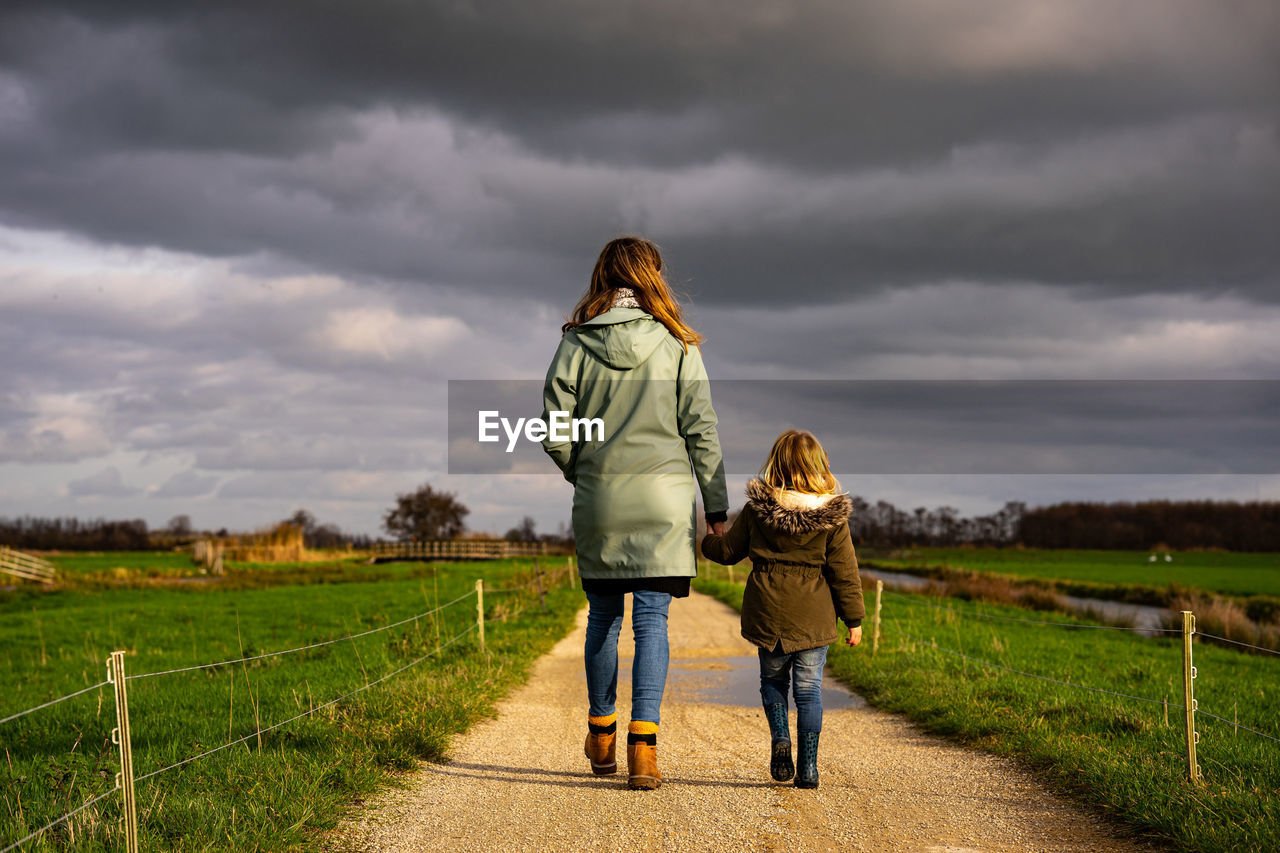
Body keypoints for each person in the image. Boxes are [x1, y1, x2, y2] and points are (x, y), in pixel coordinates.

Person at [541, 236, 728, 790]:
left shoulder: (575, 344)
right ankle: (643, 750)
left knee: (602, 619)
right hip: (665, 503)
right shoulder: (679, 345)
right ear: (654, 277)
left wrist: (584, 472)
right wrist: (716, 508)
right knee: (652, 624)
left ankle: (601, 732)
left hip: (601, 500)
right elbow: (702, 430)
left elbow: (553, 427)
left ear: (602, 276)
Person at [700, 429, 863, 789]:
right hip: (813, 616)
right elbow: (844, 572)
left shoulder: (758, 510)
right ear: (819, 466)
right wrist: (854, 619)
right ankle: (808, 767)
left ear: (776, 465)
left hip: (767, 610)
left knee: (773, 681)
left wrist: (706, 540)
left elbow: (727, 552)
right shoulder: (832, 517)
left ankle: (780, 739)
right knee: (809, 691)